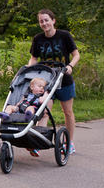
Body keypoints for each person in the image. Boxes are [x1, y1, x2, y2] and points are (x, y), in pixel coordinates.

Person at [28, 9, 80, 156]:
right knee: (43, 111)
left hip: (64, 79)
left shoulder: (64, 36)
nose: (44, 23)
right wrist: (30, 70)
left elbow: (76, 55)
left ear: (53, 20)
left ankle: (69, 143)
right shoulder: (38, 39)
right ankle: (38, 142)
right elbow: (34, 58)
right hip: (46, 82)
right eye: (41, 21)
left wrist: (70, 66)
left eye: (46, 20)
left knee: (68, 112)